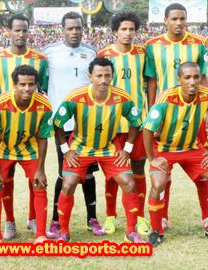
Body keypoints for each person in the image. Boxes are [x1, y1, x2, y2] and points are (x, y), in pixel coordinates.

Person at [54, 57, 144, 243]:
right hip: (80, 147)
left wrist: (127, 149)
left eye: (107, 75)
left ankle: (130, 231)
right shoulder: (75, 97)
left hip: (108, 147)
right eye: (99, 75)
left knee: (129, 183)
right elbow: (57, 123)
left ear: (113, 76)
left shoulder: (122, 97)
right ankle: (64, 232)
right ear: (90, 76)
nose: (103, 80)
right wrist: (66, 150)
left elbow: (136, 123)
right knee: (68, 185)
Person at [143, 62, 208, 247]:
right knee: (158, 184)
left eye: (196, 77)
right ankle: (156, 231)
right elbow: (147, 129)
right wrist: (152, 158)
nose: (192, 82)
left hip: (192, 149)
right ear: (179, 80)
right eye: (187, 77)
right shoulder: (166, 98)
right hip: (164, 150)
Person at [145, 3, 208, 229]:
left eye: (183, 18)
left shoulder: (198, 43)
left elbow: (202, 78)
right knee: (164, 169)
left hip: (194, 114)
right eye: (174, 19)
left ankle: (207, 215)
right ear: (165, 20)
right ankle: (162, 216)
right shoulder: (152, 46)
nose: (179, 23)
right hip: (165, 116)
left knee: (202, 168)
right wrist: (152, 111)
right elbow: (151, 82)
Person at [43, 11, 105, 238]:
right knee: (64, 173)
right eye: (70, 28)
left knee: (88, 174)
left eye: (78, 27)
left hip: (87, 124)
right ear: (62, 30)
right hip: (62, 125)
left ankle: (92, 219)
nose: (75, 31)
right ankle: (56, 221)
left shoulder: (90, 52)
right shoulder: (49, 53)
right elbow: (42, 83)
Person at [0, 14, 49, 239]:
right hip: (4, 127)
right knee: (4, 180)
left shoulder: (40, 60)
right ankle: (9, 222)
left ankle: (35, 221)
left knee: (37, 178)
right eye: (17, 30)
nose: (21, 34)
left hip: (29, 132)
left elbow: (40, 87)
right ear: (9, 31)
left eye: (25, 30)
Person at [0, 65, 53, 255]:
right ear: (14, 84)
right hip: (3, 149)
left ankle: (40, 235)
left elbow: (43, 137)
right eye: (22, 84)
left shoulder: (44, 105)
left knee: (39, 184)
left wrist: (40, 169)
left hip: (29, 148)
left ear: (36, 84)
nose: (26, 88)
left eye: (31, 84)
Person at [98, 12, 149, 236]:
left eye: (132, 29)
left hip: (138, 124)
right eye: (124, 29)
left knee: (138, 169)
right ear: (115, 31)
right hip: (112, 124)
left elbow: (150, 83)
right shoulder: (105, 55)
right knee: (112, 173)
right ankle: (111, 216)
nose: (128, 33)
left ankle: (139, 217)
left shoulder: (143, 54)